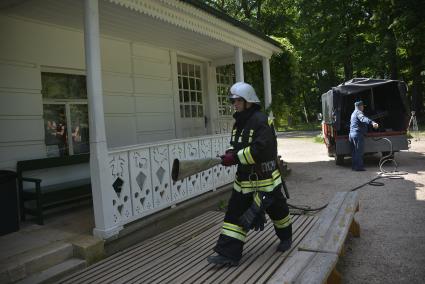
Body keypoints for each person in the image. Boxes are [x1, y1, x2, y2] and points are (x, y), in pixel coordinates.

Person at [207, 82, 292, 266]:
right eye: (233, 100)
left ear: (248, 101)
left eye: (237, 100)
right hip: (243, 181)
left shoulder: (262, 121)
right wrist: (230, 153)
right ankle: (228, 255)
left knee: (279, 213)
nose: (234, 104)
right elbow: (235, 144)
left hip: (266, 180)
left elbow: (259, 150)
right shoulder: (238, 122)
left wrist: (235, 158)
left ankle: (286, 237)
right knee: (233, 216)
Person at [349, 100, 379, 171]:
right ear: (360, 106)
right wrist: (372, 123)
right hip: (358, 134)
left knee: (354, 152)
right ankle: (359, 167)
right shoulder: (359, 112)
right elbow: (363, 118)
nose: (363, 108)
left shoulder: (353, 113)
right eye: (363, 106)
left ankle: (354, 166)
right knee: (359, 151)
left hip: (351, 134)